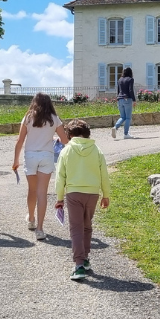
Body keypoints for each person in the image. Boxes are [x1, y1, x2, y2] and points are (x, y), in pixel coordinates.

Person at [54, 120, 111, 281]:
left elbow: (60, 177)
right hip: (92, 193)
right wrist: (105, 194)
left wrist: (59, 198)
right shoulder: (96, 150)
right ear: (87, 134)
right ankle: (85, 257)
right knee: (87, 226)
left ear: (69, 135)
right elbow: (104, 175)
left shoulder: (66, 151)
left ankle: (78, 264)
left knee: (76, 228)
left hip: (73, 193)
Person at [12, 93, 69, 240]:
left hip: (30, 155)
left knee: (32, 189)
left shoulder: (29, 117)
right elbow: (64, 140)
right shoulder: (54, 118)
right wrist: (53, 138)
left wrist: (15, 160)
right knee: (42, 193)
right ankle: (40, 229)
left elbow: (20, 140)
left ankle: (31, 218)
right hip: (46, 155)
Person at [112, 67, 135, 139]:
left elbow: (118, 90)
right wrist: (134, 100)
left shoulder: (120, 80)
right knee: (128, 117)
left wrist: (118, 98)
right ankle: (126, 134)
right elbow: (131, 90)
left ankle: (115, 127)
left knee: (122, 117)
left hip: (120, 99)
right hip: (127, 99)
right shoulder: (130, 79)